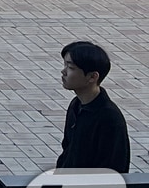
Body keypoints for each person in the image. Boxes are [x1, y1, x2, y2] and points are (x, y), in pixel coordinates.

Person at [56, 41, 130, 173]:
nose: (64, 72)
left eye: (71, 68)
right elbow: (68, 149)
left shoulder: (109, 118)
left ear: (92, 77)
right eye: (65, 65)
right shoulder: (76, 105)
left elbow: (114, 169)